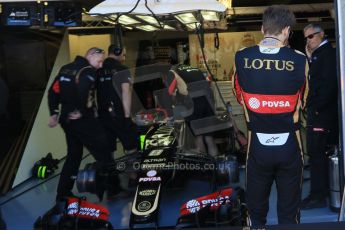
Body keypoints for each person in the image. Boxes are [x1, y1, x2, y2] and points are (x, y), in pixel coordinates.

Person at [232, 5, 308, 225]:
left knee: (255, 212)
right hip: (290, 145)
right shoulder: (300, 60)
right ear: (286, 30)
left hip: (257, 145)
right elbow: (304, 100)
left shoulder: (241, 57)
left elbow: (240, 97)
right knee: (289, 212)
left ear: (262, 28)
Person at [48, 47, 116, 202]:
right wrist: (81, 110)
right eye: (99, 61)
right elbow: (83, 90)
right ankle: (114, 188)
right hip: (84, 121)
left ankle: (63, 194)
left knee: (73, 155)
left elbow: (53, 91)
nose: (100, 66)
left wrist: (53, 112)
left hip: (66, 120)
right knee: (104, 152)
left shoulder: (65, 69)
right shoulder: (88, 71)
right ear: (90, 55)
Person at [301, 24, 338, 209]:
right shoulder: (317, 55)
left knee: (317, 154)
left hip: (322, 114)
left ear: (321, 34)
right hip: (320, 113)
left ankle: (318, 196)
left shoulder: (327, 55)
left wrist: (315, 109)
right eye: (305, 37)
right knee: (317, 154)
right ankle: (320, 193)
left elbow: (329, 86)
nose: (308, 40)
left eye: (311, 36)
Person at [166, 64, 218, 156]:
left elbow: (169, 93)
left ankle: (204, 167)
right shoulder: (194, 68)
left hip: (195, 101)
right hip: (208, 100)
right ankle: (215, 167)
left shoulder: (172, 72)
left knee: (198, 137)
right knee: (209, 138)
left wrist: (169, 115)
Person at [97, 45, 138, 155]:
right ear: (117, 52)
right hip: (118, 114)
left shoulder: (98, 68)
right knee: (131, 145)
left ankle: (110, 170)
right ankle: (131, 170)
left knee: (108, 148)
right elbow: (126, 92)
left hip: (102, 114)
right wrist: (127, 117)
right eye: (123, 54)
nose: (124, 58)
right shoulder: (122, 69)